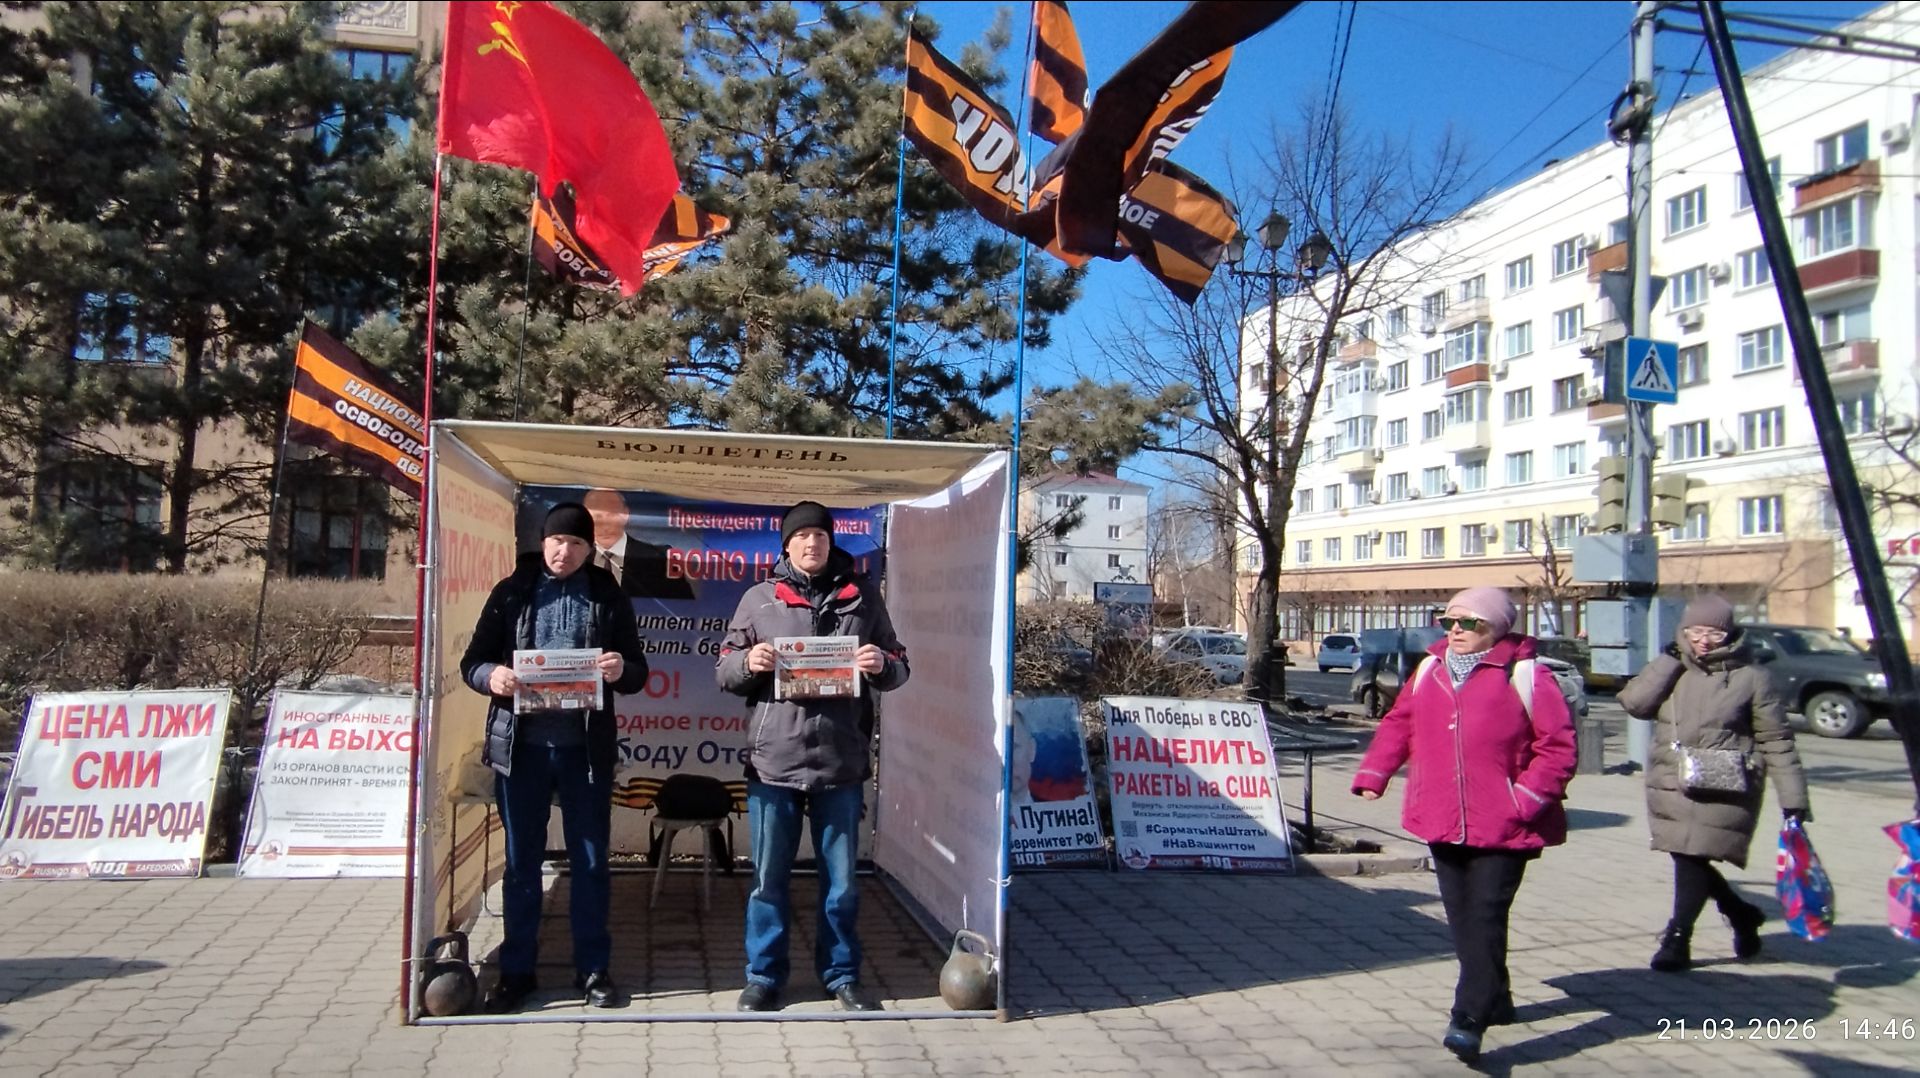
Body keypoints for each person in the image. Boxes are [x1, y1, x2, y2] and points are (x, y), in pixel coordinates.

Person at [1350, 587, 1576, 1064]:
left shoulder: (1526, 674)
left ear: (1496, 628)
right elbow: (1399, 724)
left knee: (1486, 914)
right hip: (1442, 816)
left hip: (1507, 823)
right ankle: (1498, 995)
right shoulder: (1429, 670)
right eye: (1447, 619)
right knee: (1463, 918)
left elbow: (1557, 747)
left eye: (1469, 622)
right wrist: (1375, 774)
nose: (1455, 629)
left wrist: (1526, 797)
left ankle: (1468, 1018)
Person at [715, 501, 909, 1013]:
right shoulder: (758, 599)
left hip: (840, 763)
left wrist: (880, 663)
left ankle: (841, 975)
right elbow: (724, 670)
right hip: (773, 763)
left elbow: (900, 663)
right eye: (801, 537)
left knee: (841, 885)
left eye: (819, 536)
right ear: (786, 544)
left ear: (830, 542)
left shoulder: (863, 597)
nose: (811, 544)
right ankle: (763, 977)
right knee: (766, 882)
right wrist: (747, 662)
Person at [459, 501, 650, 1012]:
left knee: (589, 864)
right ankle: (516, 972)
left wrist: (617, 669)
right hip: (520, 751)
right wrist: (490, 677)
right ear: (542, 542)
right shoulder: (512, 592)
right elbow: (471, 662)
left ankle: (593, 970)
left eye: (577, 544)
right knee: (522, 865)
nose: (564, 552)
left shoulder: (608, 596)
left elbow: (638, 671)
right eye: (556, 541)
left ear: (591, 550)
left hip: (583, 752)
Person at [1615, 594, 1810, 972]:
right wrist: (1669, 659)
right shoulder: (1673, 667)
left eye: (1714, 634)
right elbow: (1636, 704)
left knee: (1692, 854)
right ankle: (1740, 912)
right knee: (1687, 854)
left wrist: (1794, 799)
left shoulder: (1752, 677)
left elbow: (1777, 740)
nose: (1703, 640)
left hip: (1726, 780)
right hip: (1672, 779)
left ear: (1731, 634)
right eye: (1696, 631)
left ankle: (1677, 937)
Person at [581, 486, 695, 600]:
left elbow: (685, 606)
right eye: (597, 517)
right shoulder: (576, 558)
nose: (605, 525)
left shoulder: (660, 558)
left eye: (611, 516)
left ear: (625, 514)